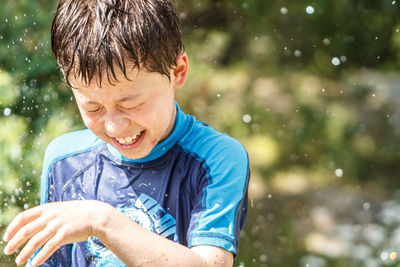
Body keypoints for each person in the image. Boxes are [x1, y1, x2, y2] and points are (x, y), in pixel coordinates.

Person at [2, 0, 249, 266]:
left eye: (131, 105)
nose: (113, 127)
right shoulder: (64, 161)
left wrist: (102, 221)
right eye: (93, 108)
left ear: (178, 72)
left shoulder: (216, 159)